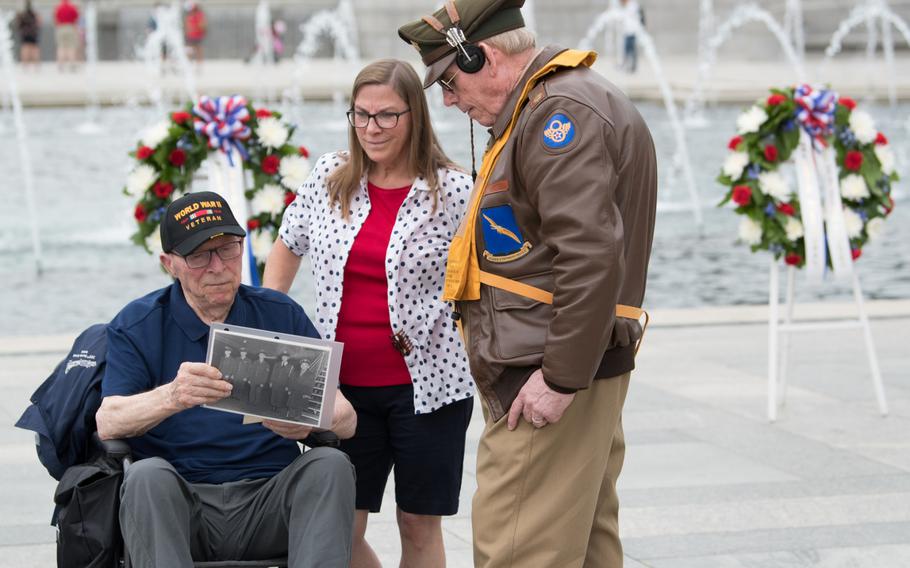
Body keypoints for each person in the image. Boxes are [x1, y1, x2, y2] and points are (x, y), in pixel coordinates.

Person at [398, 1, 658, 566]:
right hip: (565, 362)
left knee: (516, 549)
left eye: (448, 80)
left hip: (545, 375)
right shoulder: (554, 104)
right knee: (585, 546)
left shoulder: (556, 115)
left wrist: (560, 377)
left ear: (483, 56)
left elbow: (589, 256)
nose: (446, 100)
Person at [263, 58, 475, 568]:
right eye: (360, 115)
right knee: (339, 525)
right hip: (339, 390)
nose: (371, 128)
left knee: (418, 524)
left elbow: (484, 279)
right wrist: (271, 327)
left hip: (430, 386)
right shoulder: (330, 176)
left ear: (414, 117)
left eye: (386, 116)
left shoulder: (454, 191)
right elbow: (288, 247)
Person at [95, 191, 358, 567]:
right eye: (199, 256)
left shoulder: (278, 313)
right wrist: (173, 396)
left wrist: (306, 419)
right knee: (146, 475)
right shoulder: (139, 324)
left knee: (329, 464)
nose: (218, 266)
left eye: (229, 249)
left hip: (269, 498)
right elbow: (108, 421)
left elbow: (347, 419)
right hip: (183, 503)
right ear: (170, 263)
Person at [53, 0, 79, 72]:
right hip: (70, 27)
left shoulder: (58, 7)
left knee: (61, 47)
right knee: (71, 47)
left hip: (61, 27)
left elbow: (55, 18)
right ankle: (72, 64)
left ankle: (60, 65)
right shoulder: (72, 7)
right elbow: (76, 17)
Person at [14, 1, 41, 70]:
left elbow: (18, 24)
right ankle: (36, 65)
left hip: (25, 33)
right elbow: (39, 23)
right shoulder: (34, 14)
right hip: (33, 33)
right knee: (34, 49)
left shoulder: (22, 14)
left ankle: (25, 65)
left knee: (25, 48)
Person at [620, 0, 643, 73]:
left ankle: (631, 66)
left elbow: (635, 17)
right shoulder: (628, 5)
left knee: (630, 50)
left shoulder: (632, 5)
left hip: (632, 31)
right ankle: (628, 66)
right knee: (629, 50)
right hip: (628, 31)